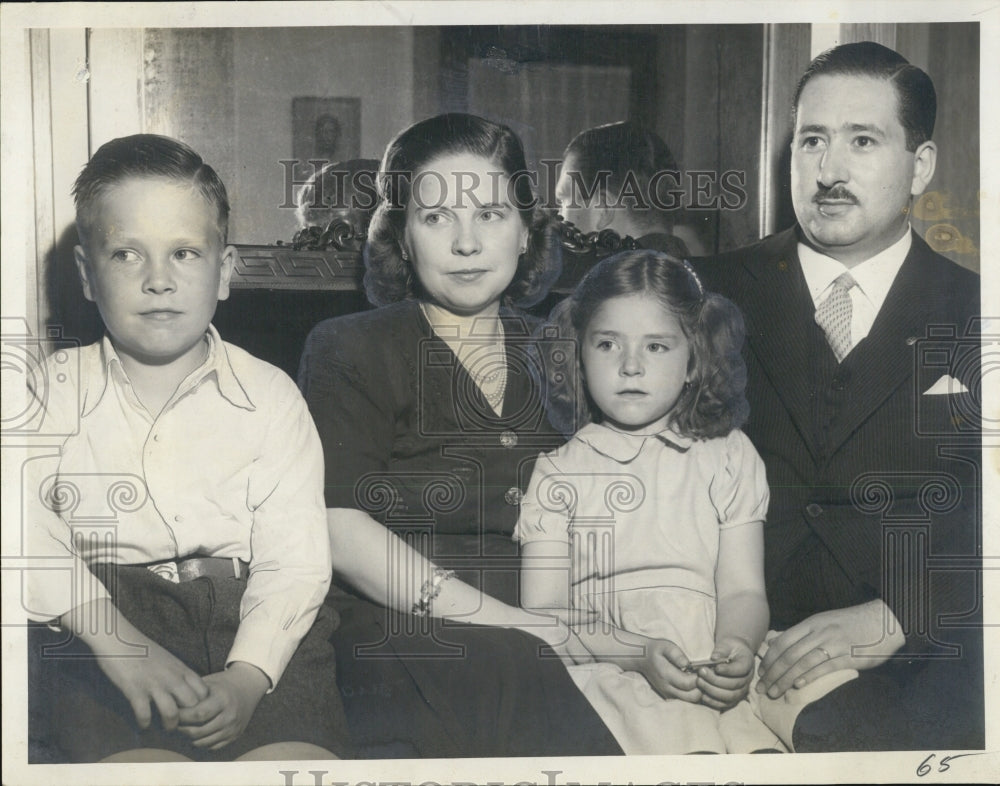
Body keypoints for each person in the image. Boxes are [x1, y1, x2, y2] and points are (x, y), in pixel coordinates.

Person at [298, 113, 623, 758]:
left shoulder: (566, 350)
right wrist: (516, 625)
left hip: (551, 622)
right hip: (402, 630)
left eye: (492, 215)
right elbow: (337, 524)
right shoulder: (349, 347)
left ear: (528, 232)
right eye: (437, 217)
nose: (467, 243)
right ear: (402, 238)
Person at [692, 41, 983, 750]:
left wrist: (902, 616)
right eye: (812, 141)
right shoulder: (702, 295)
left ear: (921, 164)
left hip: (923, 668)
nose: (829, 171)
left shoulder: (981, 311)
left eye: (863, 141)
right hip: (721, 659)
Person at [25, 135, 348, 762]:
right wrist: (115, 640)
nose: (158, 281)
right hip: (104, 622)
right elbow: (21, 526)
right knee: (144, 770)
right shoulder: (50, 391)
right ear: (88, 277)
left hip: (258, 623)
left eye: (184, 252)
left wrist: (251, 677)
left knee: (292, 767)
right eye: (126, 254)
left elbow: (295, 559)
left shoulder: (270, 395)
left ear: (224, 272)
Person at [517, 249, 792, 753]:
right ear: (577, 355)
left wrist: (738, 646)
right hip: (615, 665)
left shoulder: (728, 456)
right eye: (607, 344)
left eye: (658, 347)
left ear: (695, 360)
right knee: (680, 747)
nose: (630, 366)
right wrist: (637, 653)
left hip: (712, 656)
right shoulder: (560, 471)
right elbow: (545, 615)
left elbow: (742, 593)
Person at [555, 120, 701, 257]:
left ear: (603, 209)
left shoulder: (599, 282)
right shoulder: (692, 274)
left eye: (562, 202)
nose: (558, 216)